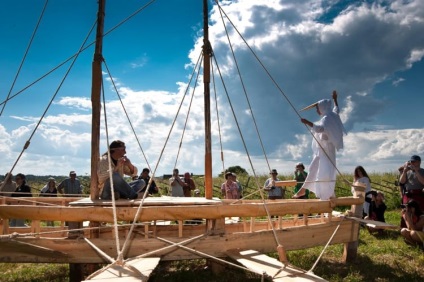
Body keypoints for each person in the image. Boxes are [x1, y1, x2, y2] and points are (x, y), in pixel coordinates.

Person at [293, 90, 346, 200]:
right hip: (323, 150)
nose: (317, 110)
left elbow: (320, 128)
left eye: (317, 108)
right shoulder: (333, 115)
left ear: (322, 107)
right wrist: (335, 99)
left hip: (325, 150)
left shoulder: (327, 118)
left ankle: (327, 194)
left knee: (324, 173)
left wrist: (307, 122)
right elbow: (337, 109)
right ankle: (304, 191)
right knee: (316, 169)